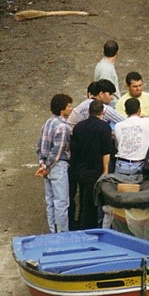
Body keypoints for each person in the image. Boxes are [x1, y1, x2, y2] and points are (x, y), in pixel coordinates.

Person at [69, 100, 114, 230]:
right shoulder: (104, 127)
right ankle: (89, 228)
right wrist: (106, 170)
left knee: (83, 198)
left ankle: (81, 224)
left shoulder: (79, 126)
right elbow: (106, 151)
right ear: (103, 112)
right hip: (96, 170)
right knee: (93, 202)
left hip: (80, 169)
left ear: (89, 112)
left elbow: (75, 148)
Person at [35, 93, 73, 233]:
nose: (71, 108)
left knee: (50, 202)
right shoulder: (63, 128)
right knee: (61, 202)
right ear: (63, 109)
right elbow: (57, 152)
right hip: (58, 166)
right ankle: (62, 233)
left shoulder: (48, 123)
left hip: (46, 165)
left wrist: (42, 165)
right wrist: (48, 166)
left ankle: (53, 231)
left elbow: (39, 146)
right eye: (69, 106)